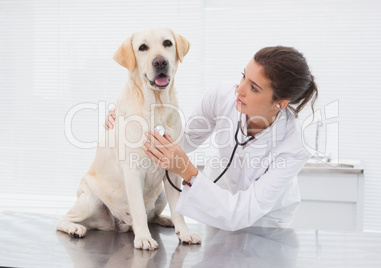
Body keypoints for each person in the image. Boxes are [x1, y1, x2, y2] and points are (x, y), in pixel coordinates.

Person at [105, 46, 318, 231]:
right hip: (218, 202)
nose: (239, 90)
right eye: (243, 76)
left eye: (253, 87)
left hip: (266, 221)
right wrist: (129, 118)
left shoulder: (294, 146)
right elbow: (183, 140)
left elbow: (241, 213)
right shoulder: (222, 96)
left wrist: (188, 171)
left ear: (279, 103)